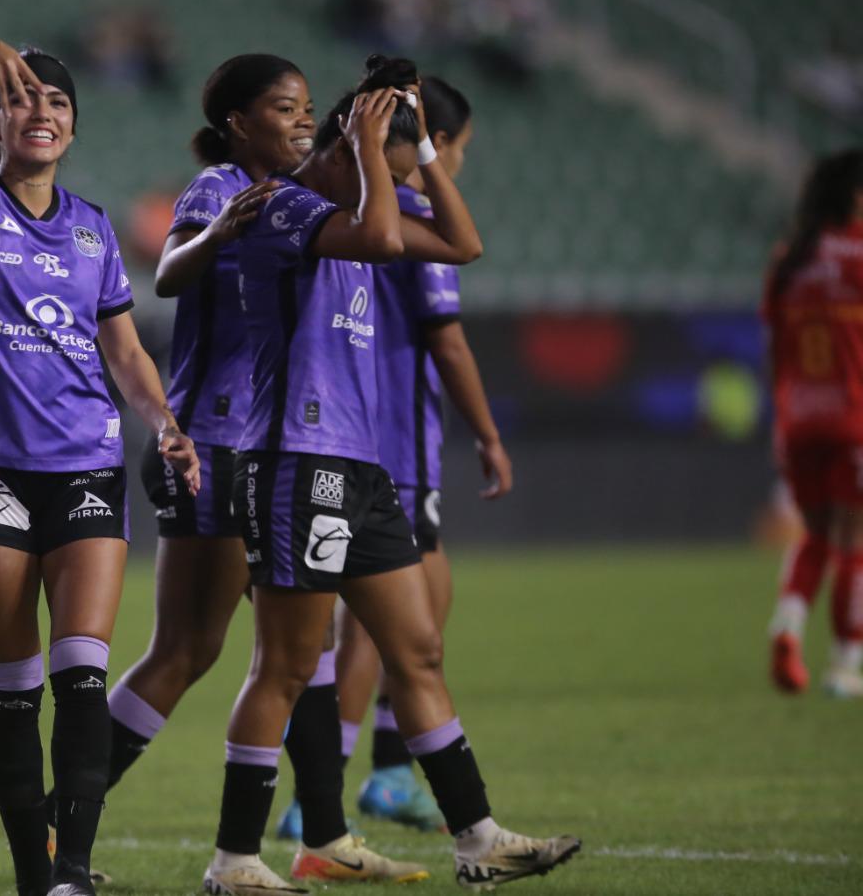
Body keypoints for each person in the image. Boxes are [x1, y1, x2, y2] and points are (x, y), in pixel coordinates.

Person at [202, 55, 580, 894]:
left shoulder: (377, 202)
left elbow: (463, 244)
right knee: (285, 667)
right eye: (397, 166)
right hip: (298, 459)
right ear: (356, 142)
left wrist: (427, 156)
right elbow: (379, 236)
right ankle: (232, 861)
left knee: (420, 650)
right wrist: (373, 143)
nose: (408, 185)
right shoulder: (284, 206)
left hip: (360, 461)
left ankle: (477, 837)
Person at [88, 53, 417, 882]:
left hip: (272, 448)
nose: (303, 118)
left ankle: (325, 836)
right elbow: (165, 274)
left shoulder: (303, 201)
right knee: (188, 650)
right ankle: (61, 816)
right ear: (238, 121)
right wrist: (217, 232)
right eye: (284, 106)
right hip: (217, 441)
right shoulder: (219, 186)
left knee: (296, 647)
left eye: (309, 106)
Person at [0, 37, 199, 896]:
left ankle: (71, 873)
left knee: (82, 676)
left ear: (73, 130)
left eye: (59, 104)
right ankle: (31, 878)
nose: (42, 112)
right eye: (25, 100)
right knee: (15, 689)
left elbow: (122, 350)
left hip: (86, 462)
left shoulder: (92, 227)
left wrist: (163, 421)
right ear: (1, 122)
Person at [277, 76, 513, 836]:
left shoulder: (361, 210)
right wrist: (489, 433)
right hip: (383, 447)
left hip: (348, 443)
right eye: (455, 148)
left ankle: (379, 790)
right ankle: (339, 794)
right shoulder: (381, 214)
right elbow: (445, 333)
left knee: (397, 636)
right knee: (372, 636)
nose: (457, 162)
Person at [763, 148, 863, 698]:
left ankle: (788, 624)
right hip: (855, 416)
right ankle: (846, 665)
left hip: (799, 419)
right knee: (854, 539)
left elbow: (774, 348)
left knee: (816, 534)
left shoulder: (790, 260)